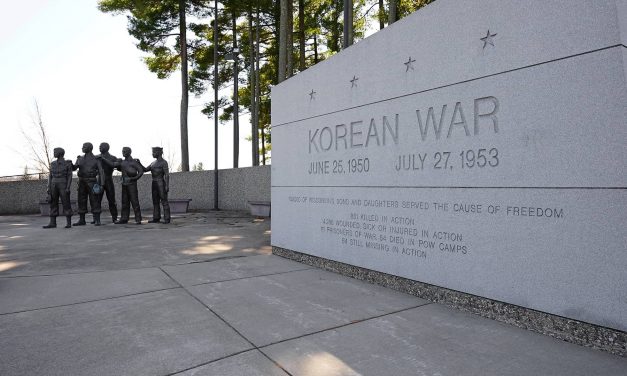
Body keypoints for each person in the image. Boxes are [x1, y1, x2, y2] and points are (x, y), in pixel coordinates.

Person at [100, 147, 143, 224]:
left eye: (125, 151)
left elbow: (141, 171)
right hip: (124, 184)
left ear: (129, 152)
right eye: (122, 151)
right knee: (124, 202)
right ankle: (124, 218)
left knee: (134, 201)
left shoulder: (134, 162)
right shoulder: (122, 162)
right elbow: (112, 164)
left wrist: (134, 178)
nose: (123, 152)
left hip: (132, 184)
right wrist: (103, 159)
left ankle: (138, 218)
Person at [72, 142, 104, 226]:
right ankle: (82, 220)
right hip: (82, 181)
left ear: (90, 148)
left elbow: (101, 172)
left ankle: (97, 219)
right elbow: (74, 168)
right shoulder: (79, 158)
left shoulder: (96, 159)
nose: (82, 148)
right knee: (81, 200)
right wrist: (70, 165)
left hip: (92, 181)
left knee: (95, 200)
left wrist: (102, 185)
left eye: (84, 146)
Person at [43, 147, 73, 229]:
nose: (54, 153)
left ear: (60, 153)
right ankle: (52, 222)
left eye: (55, 152)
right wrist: (48, 187)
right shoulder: (52, 164)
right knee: (53, 203)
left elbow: (70, 176)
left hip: (63, 184)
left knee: (66, 203)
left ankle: (68, 222)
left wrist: (68, 187)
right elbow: (50, 176)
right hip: (53, 184)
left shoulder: (67, 163)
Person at [142, 147, 170, 224]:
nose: (152, 154)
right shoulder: (153, 163)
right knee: (155, 202)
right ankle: (156, 217)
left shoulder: (164, 162)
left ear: (159, 152)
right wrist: (139, 163)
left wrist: (167, 185)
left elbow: (167, 175)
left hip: (160, 182)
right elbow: (145, 170)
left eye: (154, 152)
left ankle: (167, 219)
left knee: (164, 201)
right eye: (152, 152)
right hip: (154, 183)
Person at [94, 142, 119, 223]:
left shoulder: (112, 157)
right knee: (97, 200)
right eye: (99, 146)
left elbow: (116, 165)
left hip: (109, 180)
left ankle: (114, 217)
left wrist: (103, 159)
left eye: (101, 146)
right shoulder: (96, 157)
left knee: (112, 200)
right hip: (99, 180)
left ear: (106, 147)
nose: (99, 147)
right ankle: (96, 219)